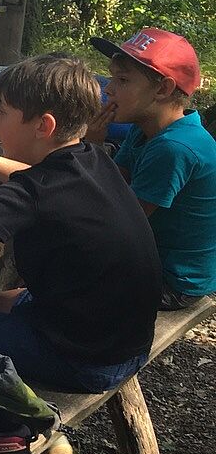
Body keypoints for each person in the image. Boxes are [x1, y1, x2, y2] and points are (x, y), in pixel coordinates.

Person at [0, 54, 162, 393]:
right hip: (121, 339)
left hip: (88, 362)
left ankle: (1, 426)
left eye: (1, 112)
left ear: (43, 126)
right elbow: (33, 177)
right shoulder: (89, 157)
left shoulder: (34, 193)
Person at [88, 28, 216, 309]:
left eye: (122, 80)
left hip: (172, 282)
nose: (108, 89)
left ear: (162, 89)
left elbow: (120, 222)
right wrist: (94, 148)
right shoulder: (147, 129)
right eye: (111, 77)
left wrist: (93, 151)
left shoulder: (174, 148)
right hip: (146, 258)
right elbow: (115, 184)